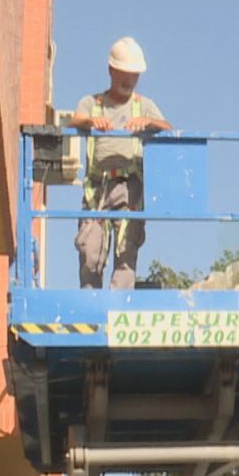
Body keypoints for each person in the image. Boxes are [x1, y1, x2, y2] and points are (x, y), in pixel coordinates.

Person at [70, 37, 172, 289]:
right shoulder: (92, 104)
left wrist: (149, 123)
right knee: (91, 253)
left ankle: (118, 310)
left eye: (134, 75)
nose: (129, 81)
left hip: (130, 187)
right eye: (124, 74)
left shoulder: (144, 106)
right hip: (99, 186)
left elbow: (168, 127)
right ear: (111, 70)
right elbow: (74, 121)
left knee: (126, 253)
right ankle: (91, 307)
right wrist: (91, 122)